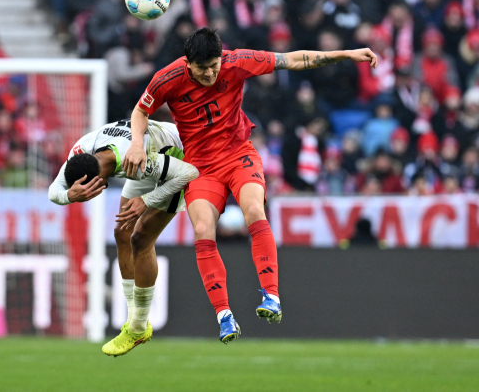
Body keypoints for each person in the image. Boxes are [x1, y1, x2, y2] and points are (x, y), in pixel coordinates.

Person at [122, 28, 377, 343]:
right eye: (203, 70)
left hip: (238, 153)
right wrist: (136, 143)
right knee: (203, 230)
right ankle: (224, 316)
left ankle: (272, 296)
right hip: (200, 167)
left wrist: (347, 54)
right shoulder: (167, 78)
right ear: (189, 63)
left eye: (215, 66)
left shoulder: (237, 61)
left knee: (255, 209)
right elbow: (140, 110)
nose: (211, 74)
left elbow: (293, 60)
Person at [48, 119, 198, 356]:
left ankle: (138, 326)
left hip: (180, 155)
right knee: (122, 233)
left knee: (140, 239)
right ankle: (134, 322)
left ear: (100, 180)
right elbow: (53, 191)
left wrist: (146, 200)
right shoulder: (82, 150)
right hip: (141, 148)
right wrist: (69, 194)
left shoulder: (142, 161)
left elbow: (190, 173)